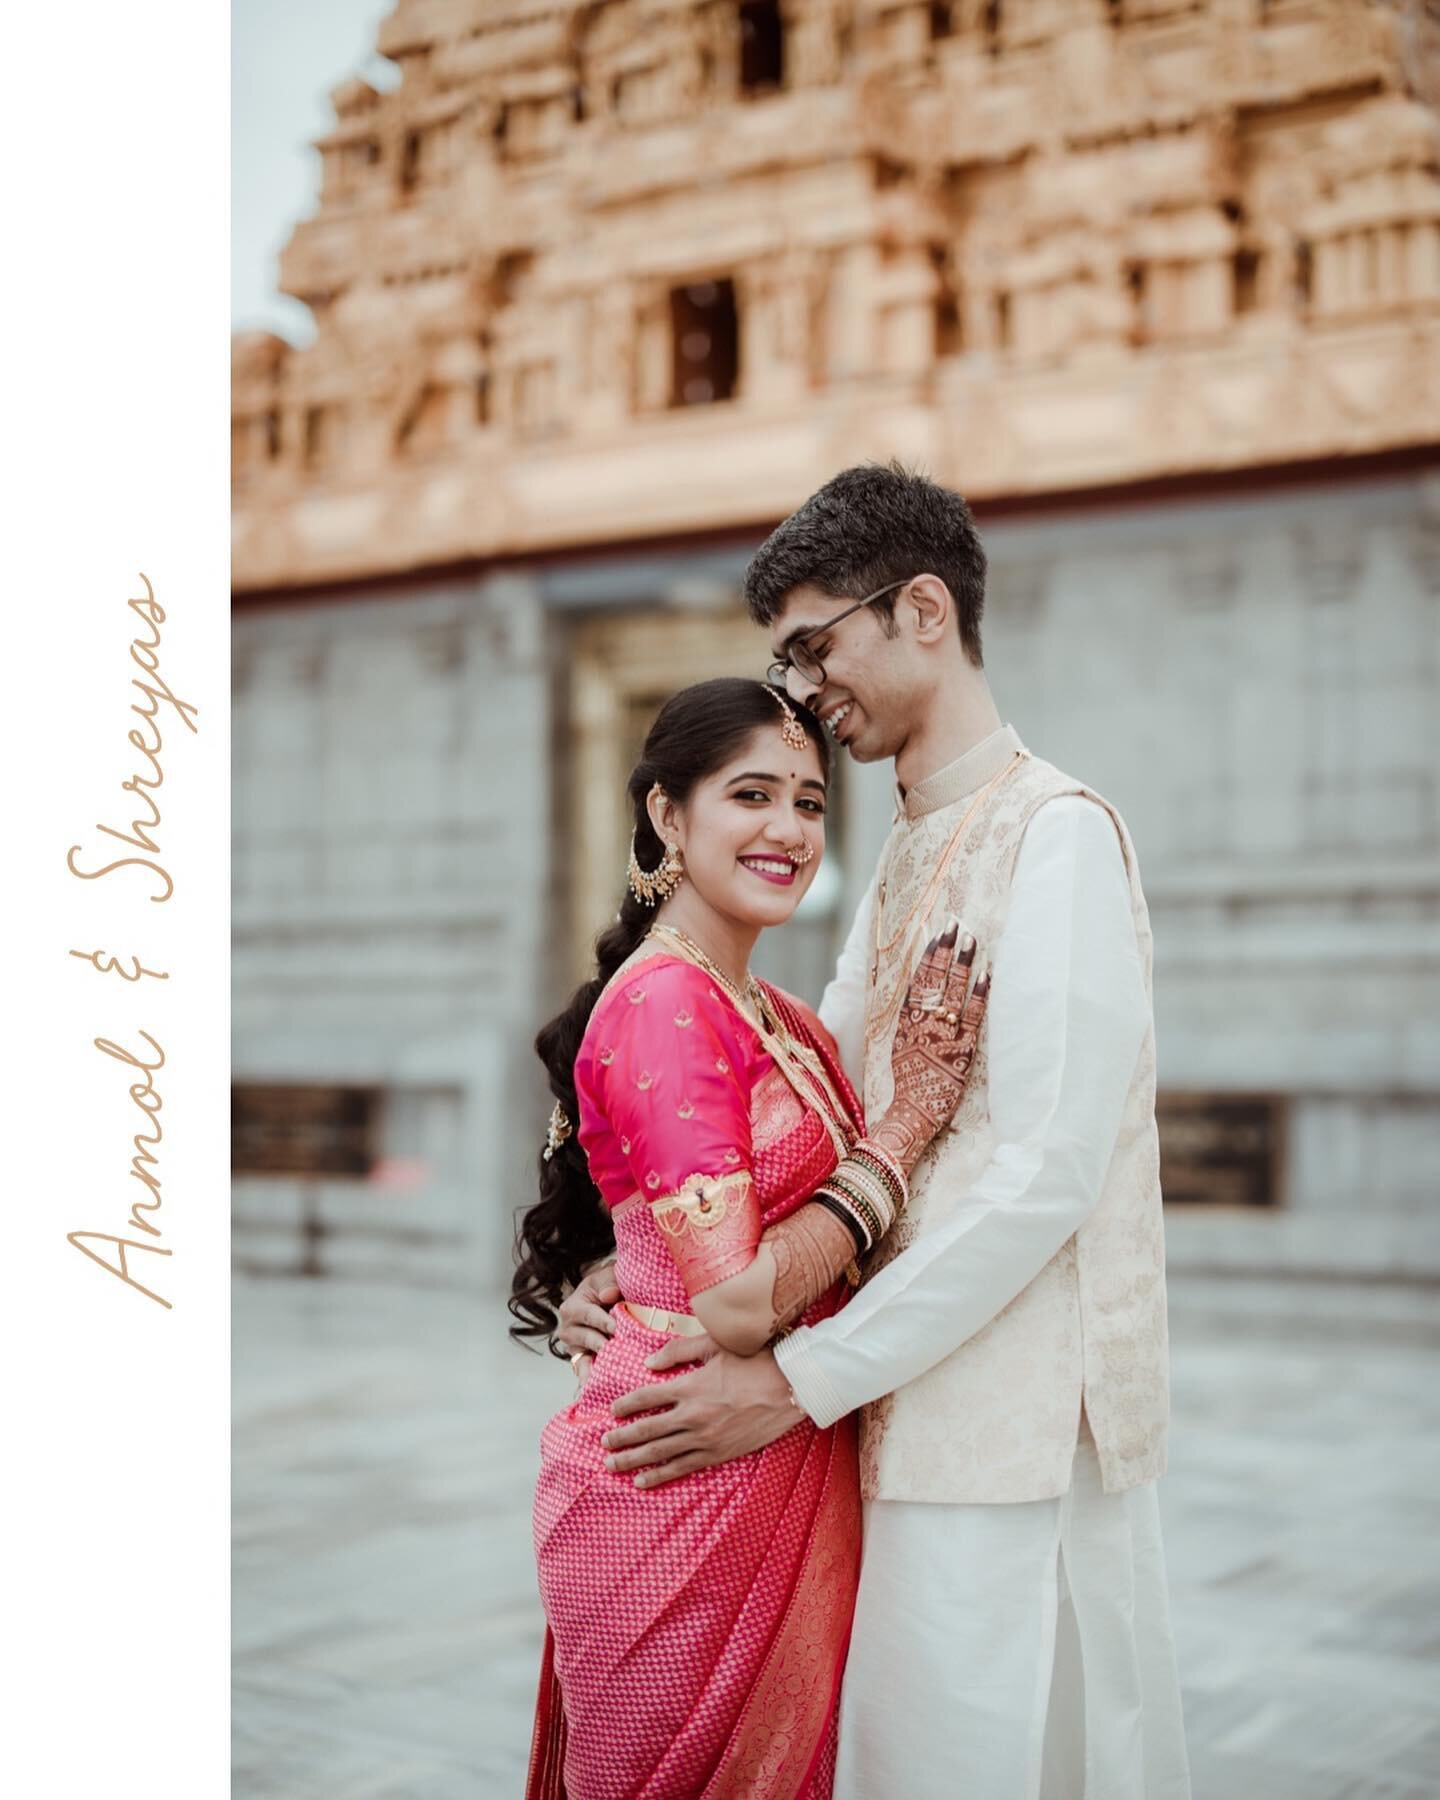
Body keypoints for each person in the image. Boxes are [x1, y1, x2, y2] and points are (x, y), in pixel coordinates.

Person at [561, 466, 1192, 1799]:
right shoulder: (907, 847)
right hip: (876, 1422)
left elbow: (1042, 1180)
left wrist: (799, 1379)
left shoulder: (1057, 835)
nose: (800, 688)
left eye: (812, 646)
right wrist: (633, 1260)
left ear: (918, 611)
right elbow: (775, 1119)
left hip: (1004, 1442)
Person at [511, 676, 989, 1800]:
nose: (788, 830)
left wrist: (614, 1270)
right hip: (677, 1495)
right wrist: (909, 1125)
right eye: (753, 794)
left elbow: (670, 1218)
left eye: (812, 803)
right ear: (668, 817)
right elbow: (734, 1304)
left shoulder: (773, 1012)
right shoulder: (668, 1002)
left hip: (761, 1457)